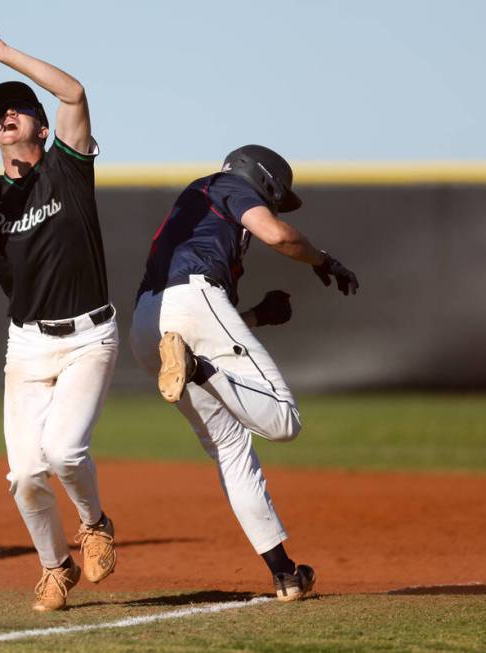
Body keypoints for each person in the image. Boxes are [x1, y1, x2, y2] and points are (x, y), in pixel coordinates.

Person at [129, 144, 359, 601]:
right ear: (265, 182)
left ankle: (285, 573)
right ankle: (196, 369)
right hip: (191, 310)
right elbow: (276, 234)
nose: (273, 205)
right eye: (275, 196)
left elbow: (195, 317)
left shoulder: (199, 202)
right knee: (284, 420)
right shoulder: (230, 185)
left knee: (232, 449)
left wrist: (254, 316)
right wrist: (323, 259)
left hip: (146, 325)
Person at [0, 36, 118, 611]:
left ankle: (94, 524)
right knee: (24, 474)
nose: (5, 116)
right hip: (26, 347)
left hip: (90, 337)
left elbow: (73, 92)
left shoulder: (68, 168)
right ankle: (55, 568)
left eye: (18, 109)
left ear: (43, 129)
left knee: (65, 452)